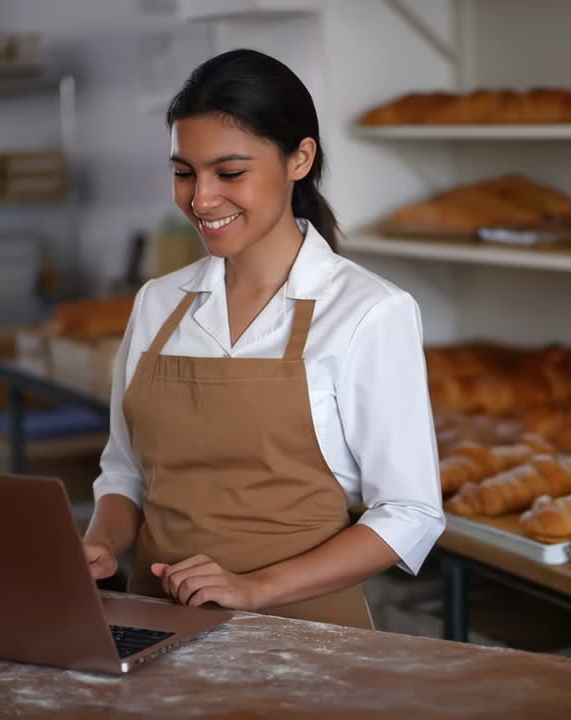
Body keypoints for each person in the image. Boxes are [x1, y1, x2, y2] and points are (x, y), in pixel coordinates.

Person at [80, 49, 444, 628]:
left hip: (304, 639)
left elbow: (410, 513)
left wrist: (254, 588)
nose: (200, 200)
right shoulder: (158, 301)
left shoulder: (370, 311)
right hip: (150, 625)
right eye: (183, 173)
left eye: (229, 173)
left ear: (300, 159)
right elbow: (126, 472)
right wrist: (100, 544)